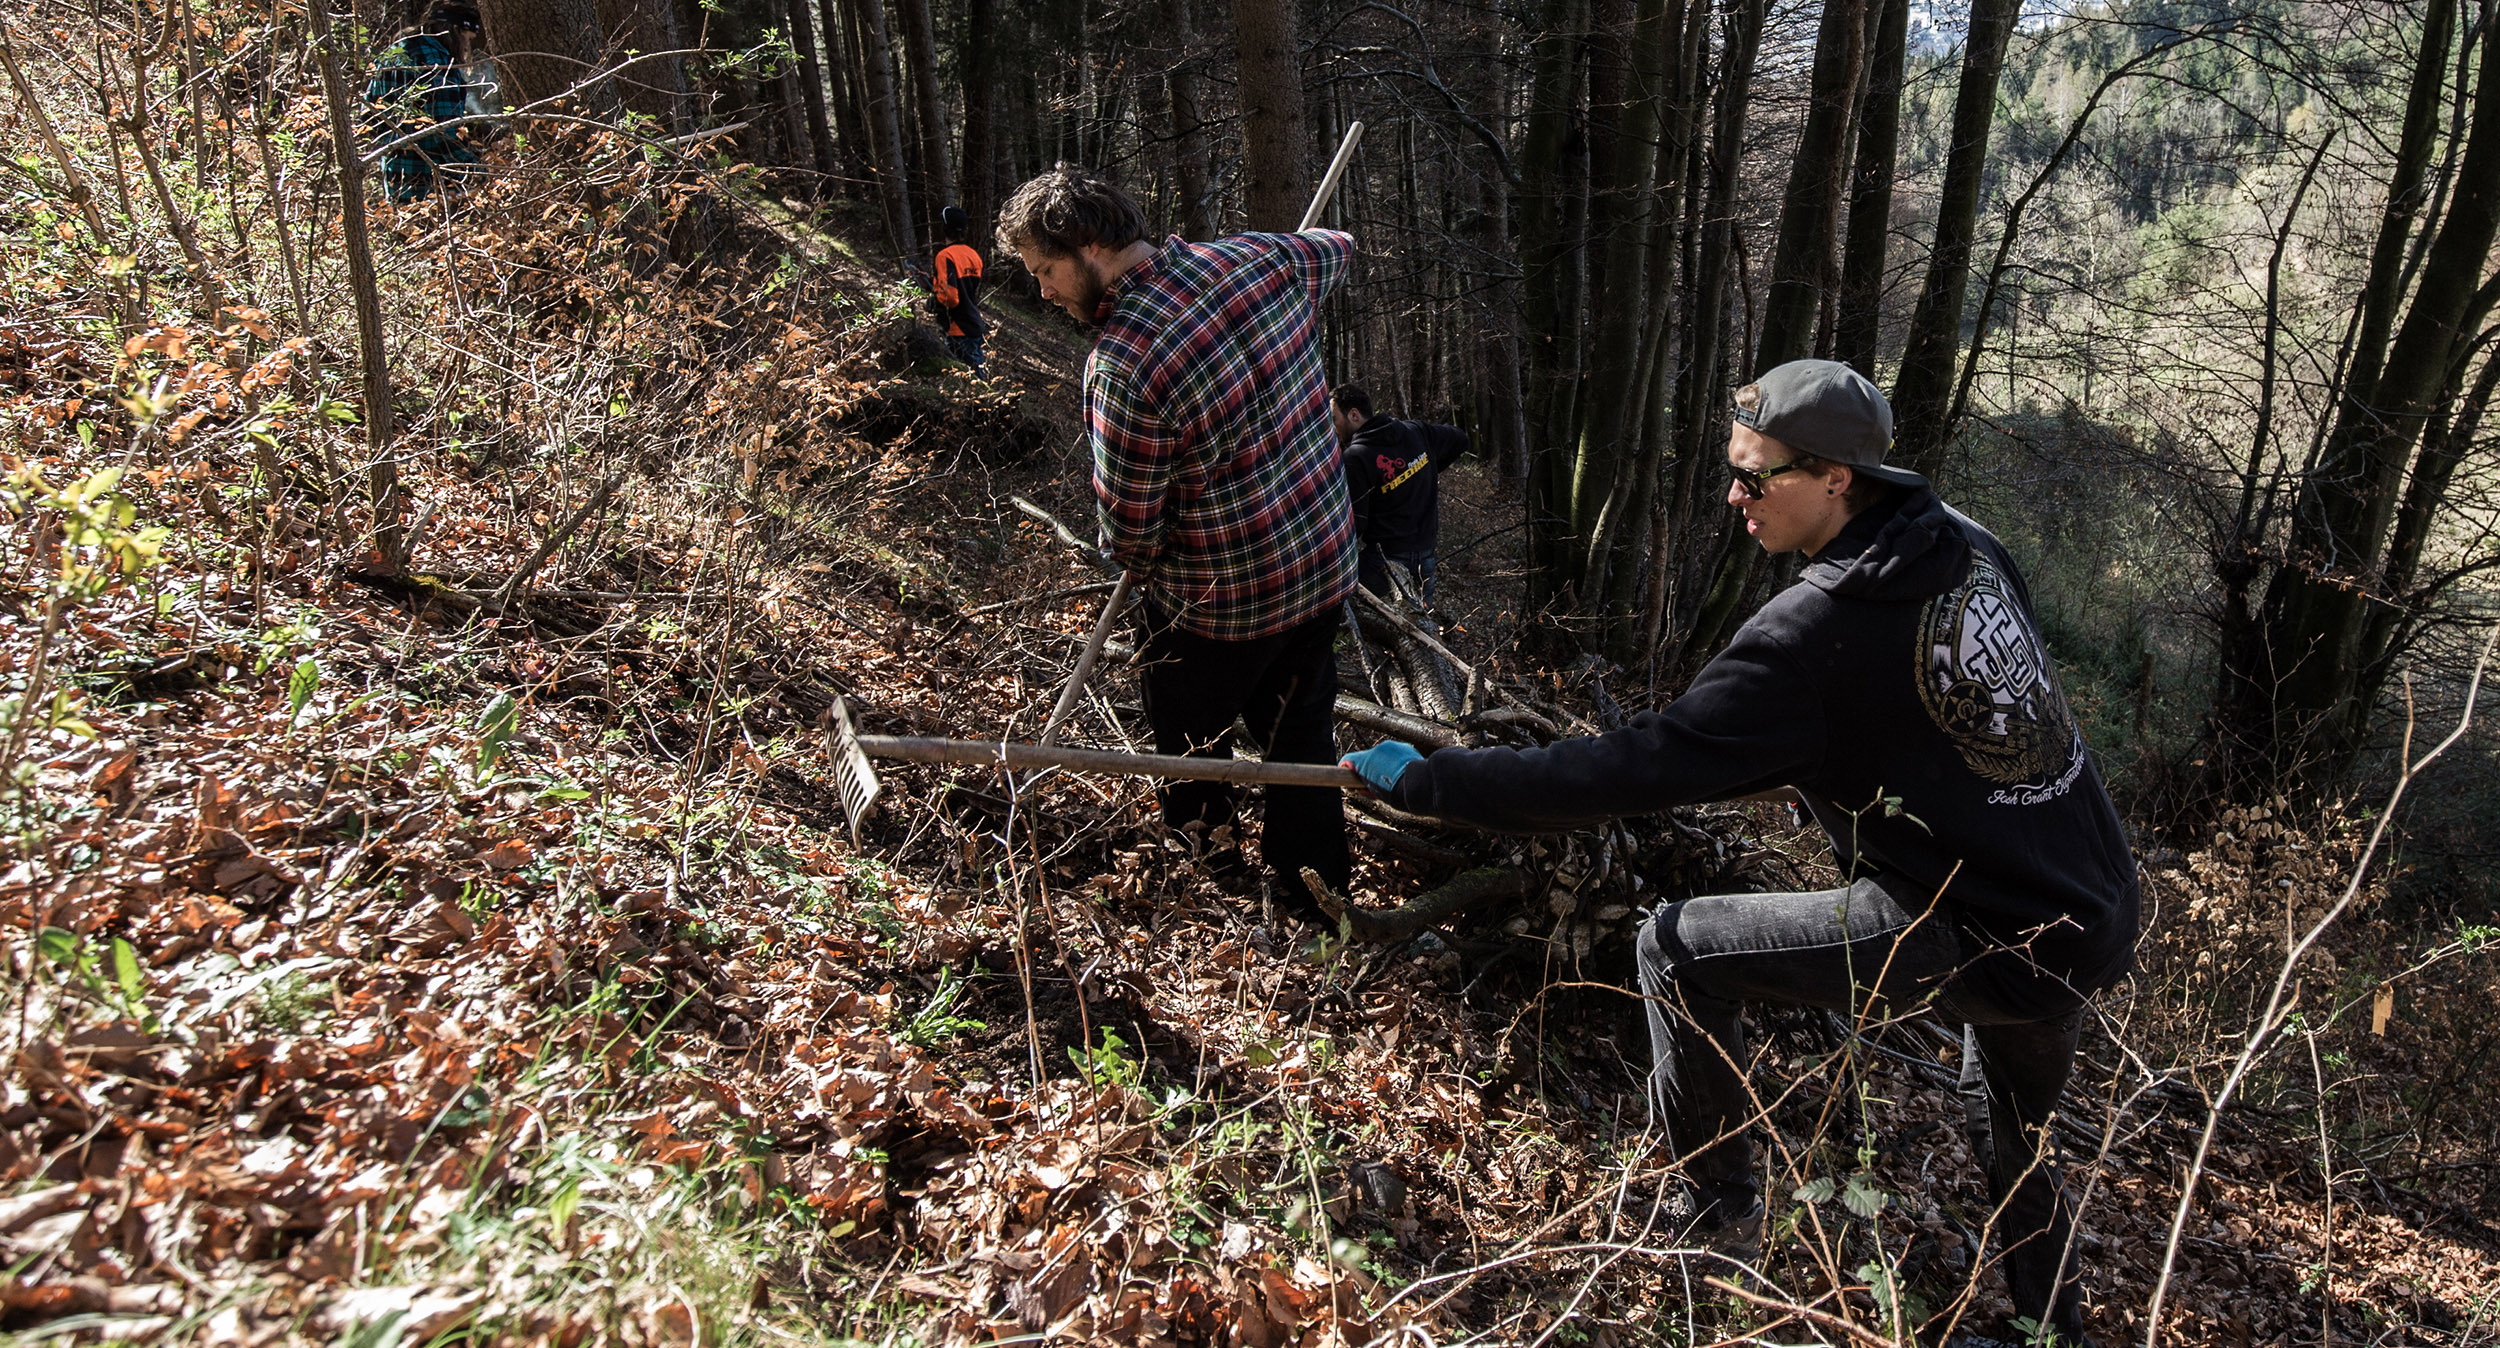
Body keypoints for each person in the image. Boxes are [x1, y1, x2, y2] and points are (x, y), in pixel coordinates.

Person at [1341, 359, 2136, 1348]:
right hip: (2089, 904)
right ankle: (2050, 1330)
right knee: (2009, 1119)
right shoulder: (1964, 541)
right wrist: (1839, 774)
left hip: (1983, 925)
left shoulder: (1811, 634)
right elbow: (1971, 715)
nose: (1732, 495)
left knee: (1672, 948)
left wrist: (1435, 783)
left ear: (1835, 479)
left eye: (1755, 478)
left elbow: (1631, 769)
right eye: (1733, 468)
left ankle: (1712, 1231)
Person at [995, 165, 1356, 913]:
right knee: (1301, 740)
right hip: (1323, 565)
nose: (1044, 292)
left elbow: (1130, 534)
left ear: (1090, 245)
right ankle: (1314, 902)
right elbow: (1337, 245)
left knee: (1189, 747)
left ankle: (1207, 885)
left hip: (1221, 608)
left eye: (1046, 270)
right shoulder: (1256, 259)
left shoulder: (1124, 367)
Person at [1332, 384, 1465, 604]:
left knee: (1345, 609)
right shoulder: (1415, 431)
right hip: (1425, 557)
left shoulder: (1356, 458)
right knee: (1421, 629)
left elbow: (1355, 525)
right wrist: (1422, 470)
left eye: (1335, 418)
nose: (1333, 427)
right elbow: (1460, 439)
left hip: (1383, 562)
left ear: (1354, 414)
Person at [364, 1, 486, 204]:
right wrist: (479, 172)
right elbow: (442, 131)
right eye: (467, 38)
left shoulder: (392, 54)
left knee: (408, 234)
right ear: (455, 30)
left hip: (396, 181)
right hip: (433, 188)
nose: (467, 48)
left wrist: (397, 144)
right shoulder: (436, 62)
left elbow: (369, 118)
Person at [931, 205, 987, 376]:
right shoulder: (973, 255)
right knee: (978, 374)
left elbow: (951, 297)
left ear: (944, 228)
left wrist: (934, 301)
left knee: (967, 377)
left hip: (959, 327)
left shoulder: (945, 256)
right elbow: (965, 289)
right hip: (974, 323)